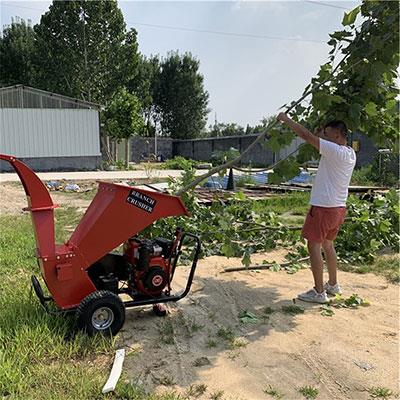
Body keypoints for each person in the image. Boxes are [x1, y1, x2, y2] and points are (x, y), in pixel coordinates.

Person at [277, 113, 356, 303]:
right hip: (338, 208)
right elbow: (319, 141)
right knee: (328, 245)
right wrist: (322, 134)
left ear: (337, 135)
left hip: (323, 208)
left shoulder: (334, 151)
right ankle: (333, 285)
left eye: (328, 134)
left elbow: (306, 136)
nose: (324, 137)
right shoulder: (350, 153)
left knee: (313, 246)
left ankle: (319, 292)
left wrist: (286, 119)